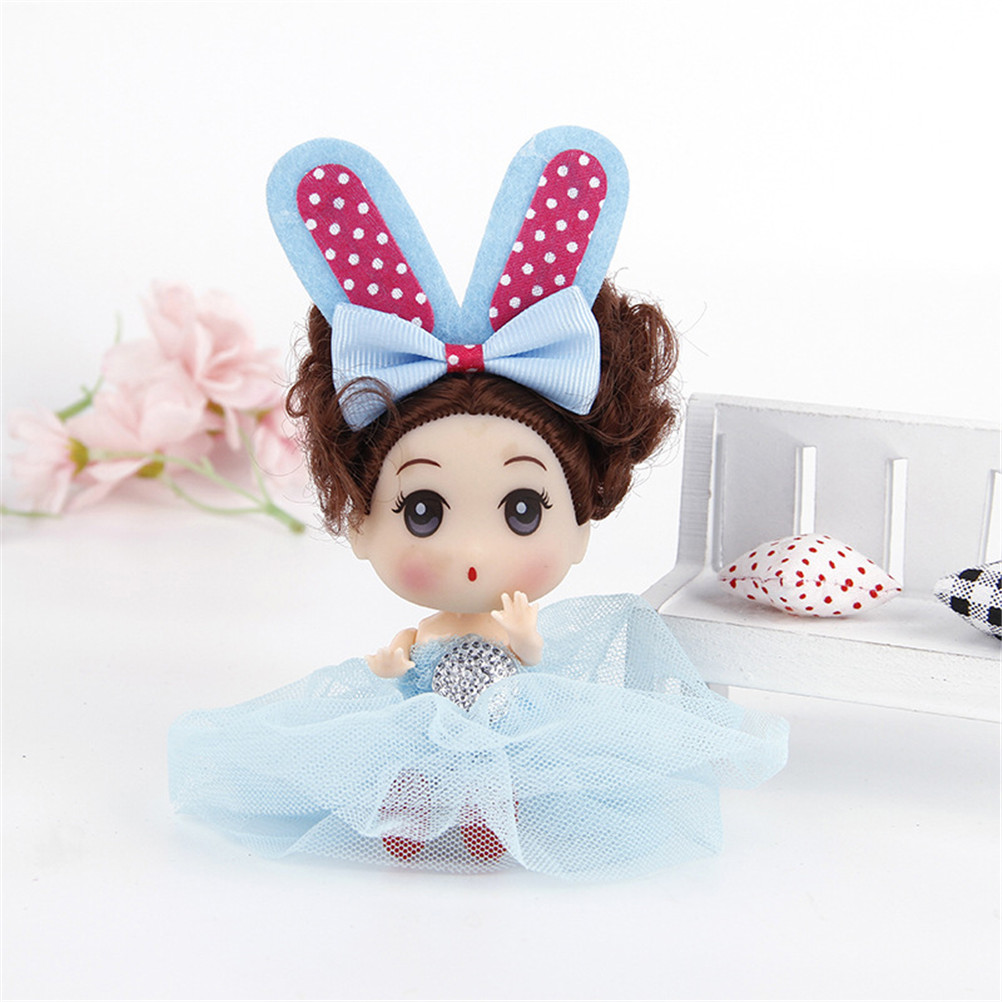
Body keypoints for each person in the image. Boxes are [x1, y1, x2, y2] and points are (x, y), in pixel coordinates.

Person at [168, 129, 787, 878]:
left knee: (500, 774)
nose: (470, 552)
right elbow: (407, 659)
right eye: (422, 512)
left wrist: (523, 636)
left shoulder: (505, 621)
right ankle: (411, 817)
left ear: (582, 523)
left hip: (508, 722)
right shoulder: (433, 625)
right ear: (360, 526)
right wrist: (393, 661)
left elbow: (529, 656)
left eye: (523, 510)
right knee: (416, 771)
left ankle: (491, 816)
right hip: (422, 720)